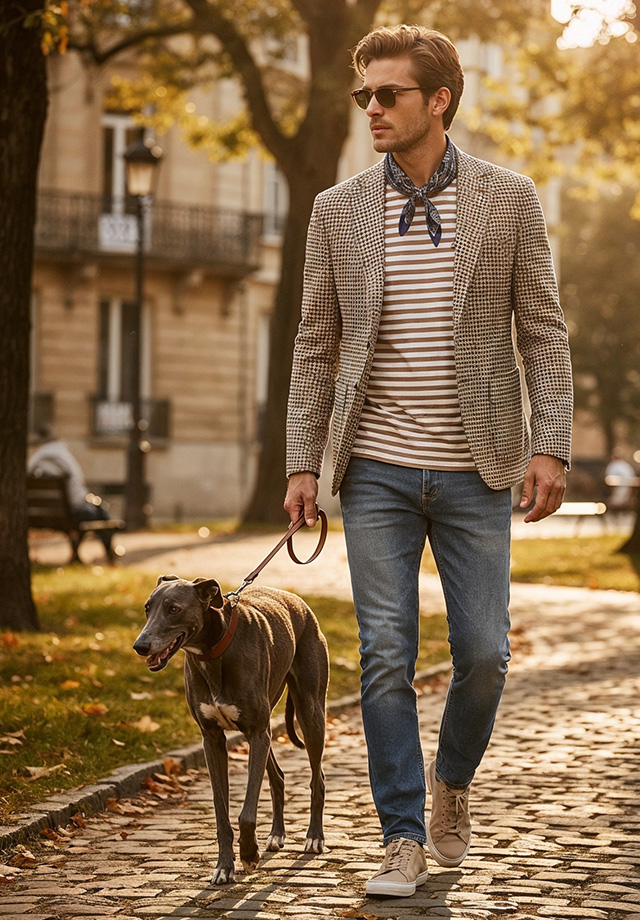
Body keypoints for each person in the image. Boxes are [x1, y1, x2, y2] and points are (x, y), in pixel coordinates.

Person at [284, 24, 573, 899]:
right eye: (363, 95)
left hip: (477, 466)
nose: (371, 108)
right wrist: (303, 462)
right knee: (384, 654)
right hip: (373, 466)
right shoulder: (335, 211)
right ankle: (402, 834)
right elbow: (315, 343)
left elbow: (543, 332)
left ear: (437, 100)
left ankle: (452, 783)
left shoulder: (510, 200)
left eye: (389, 95)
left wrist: (550, 440)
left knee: (484, 653)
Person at [28, 425, 115, 561]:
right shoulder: (64, 455)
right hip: (74, 512)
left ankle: (77, 554)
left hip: (43, 514)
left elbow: (29, 473)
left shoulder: (37, 457)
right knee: (100, 511)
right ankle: (110, 552)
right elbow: (78, 489)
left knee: (97, 508)